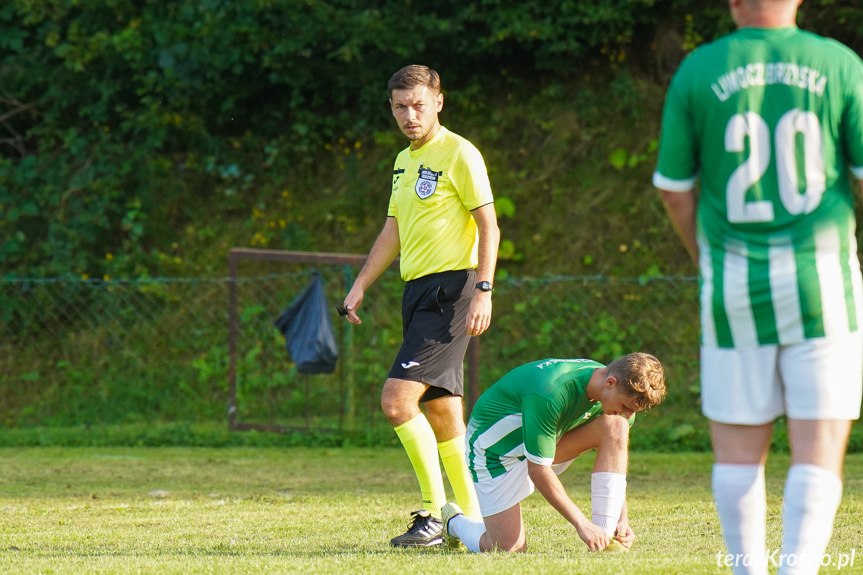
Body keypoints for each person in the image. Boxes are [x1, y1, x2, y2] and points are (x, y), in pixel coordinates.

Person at [653, 1, 863, 573]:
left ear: (733, 2)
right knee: (818, 447)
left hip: (734, 285)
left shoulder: (699, 69)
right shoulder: (839, 63)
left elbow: (674, 189)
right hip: (825, 284)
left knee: (739, 452)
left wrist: (707, 257)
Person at [342, 64, 500, 547]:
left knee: (396, 400)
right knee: (443, 411)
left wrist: (484, 290)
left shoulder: (460, 153)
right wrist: (361, 283)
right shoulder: (402, 160)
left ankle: (433, 514)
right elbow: (393, 230)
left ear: (439, 102)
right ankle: (471, 523)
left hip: (452, 292)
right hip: (418, 294)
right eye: (400, 107)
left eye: (418, 104)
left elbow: (490, 227)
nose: (410, 115)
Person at [441, 353, 666, 553]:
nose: (627, 414)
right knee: (506, 548)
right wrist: (582, 523)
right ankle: (455, 522)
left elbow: (614, 460)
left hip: (540, 449)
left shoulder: (612, 397)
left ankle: (605, 540)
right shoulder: (550, 390)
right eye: (626, 407)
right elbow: (538, 470)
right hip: (494, 456)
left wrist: (621, 518)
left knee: (616, 427)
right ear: (610, 382)